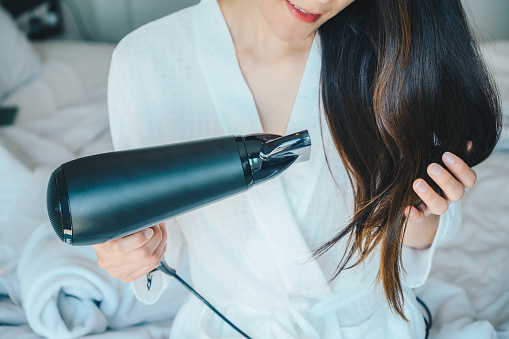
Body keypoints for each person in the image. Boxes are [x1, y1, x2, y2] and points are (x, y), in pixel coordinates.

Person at [93, 0, 501, 337]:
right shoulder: (144, 63)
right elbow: (158, 245)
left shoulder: (386, 45)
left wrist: (423, 215)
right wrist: (131, 252)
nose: (321, 2)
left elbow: (414, 231)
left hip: (370, 326)